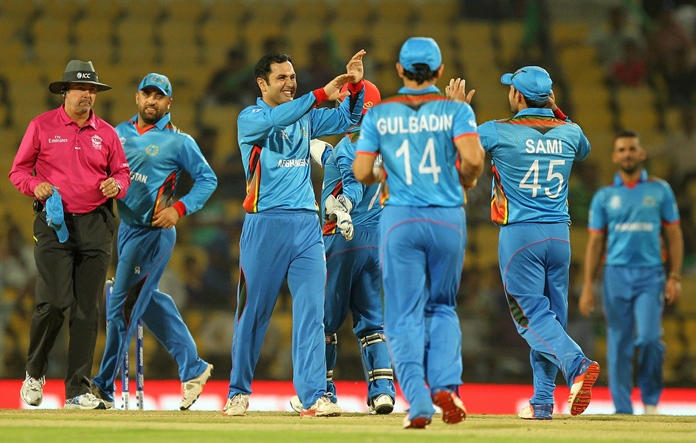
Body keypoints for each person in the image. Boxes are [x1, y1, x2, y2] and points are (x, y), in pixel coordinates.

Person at [222, 50, 367, 418]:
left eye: (292, 76)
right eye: (281, 78)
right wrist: (318, 95)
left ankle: (314, 395)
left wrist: (355, 84)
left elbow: (348, 118)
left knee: (310, 313)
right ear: (262, 83)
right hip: (264, 224)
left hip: (306, 226)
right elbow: (282, 116)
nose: (290, 83)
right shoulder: (250, 118)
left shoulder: (304, 115)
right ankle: (238, 392)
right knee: (253, 312)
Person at [353, 37, 485, 429]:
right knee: (442, 306)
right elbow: (475, 160)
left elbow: (361, 172)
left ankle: (420, 400)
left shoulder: (381, 115)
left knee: (402, 315)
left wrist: (383, 172)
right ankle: (447, 385)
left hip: (401, 220)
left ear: (399, 70)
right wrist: (463, 177)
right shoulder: (456, 111)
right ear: (440, 72)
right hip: (447, 217)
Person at [475, 65, 599, 420]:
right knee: (549, 322)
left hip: (520, 236)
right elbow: (586, 150)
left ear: (516, 95)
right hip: (560, 235)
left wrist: (457, 111)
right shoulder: (571, 131)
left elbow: (460, 143)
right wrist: (555, 111)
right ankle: (542, 402)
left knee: (531, 321)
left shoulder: (498, 131)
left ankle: (577, 365)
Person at [89, 73, 218, 410]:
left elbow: (208, 179)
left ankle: (102, 387)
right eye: (147, 94)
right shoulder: (119, 133)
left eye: (159, 97)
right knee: (147, 301)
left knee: (121, 307)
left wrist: (179, 208)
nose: (152, 101)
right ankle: (194, 367)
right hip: (127, 230)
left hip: (154, 232)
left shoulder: (179, 141)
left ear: (168, 104)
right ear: (137, 98)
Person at [9, 60, 130, 409]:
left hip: (96, 223)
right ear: (65, 91)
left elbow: (122, 173)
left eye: (92, 90)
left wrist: (116, 184)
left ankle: (78, 389)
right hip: (53, 223)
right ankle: (34, 372)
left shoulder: (106, 133)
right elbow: (18, 171)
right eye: (81, 89)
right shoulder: (42, 126)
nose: (88, 95)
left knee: (87, 310)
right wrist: (36, 185)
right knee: (54, 303)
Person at [289, 80, 396, 415]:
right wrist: (318, 149)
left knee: (324, 322)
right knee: (371, 321)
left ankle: (322, 391)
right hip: (376, 241)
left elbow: (352, 184)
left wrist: (342, 208)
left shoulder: (352, 148)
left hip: (343, 239)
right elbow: (338, 159)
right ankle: (383, 392)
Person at [579, 130, 683, 415]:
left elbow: (674, 236)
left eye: (631, 149)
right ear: (615, 156)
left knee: (650, 338)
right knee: (618, 343)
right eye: (622, 149)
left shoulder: (660, 190)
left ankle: (650, 400)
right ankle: (623, 410)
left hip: (651, 275)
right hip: (615, 276)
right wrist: (588, 285)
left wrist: (674, 276)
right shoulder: (604, 196)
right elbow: (595, 243)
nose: (627, 154)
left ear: (641, 153)